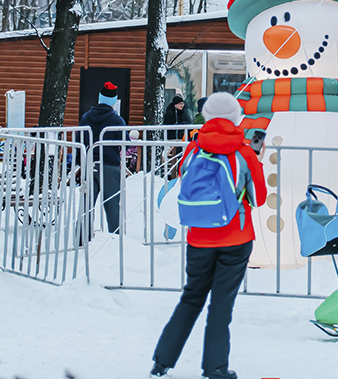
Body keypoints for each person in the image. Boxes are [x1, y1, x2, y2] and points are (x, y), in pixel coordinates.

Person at [151, 92, 265, 379]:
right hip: (236, 237)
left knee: (191, 297)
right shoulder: (244, 152)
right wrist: (257, 162)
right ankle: (215, 367)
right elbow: (259, 198)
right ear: (236, 117)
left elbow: (184, 180)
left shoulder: (193, 149)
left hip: (199, 237)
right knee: (221, 304)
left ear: (208, 116)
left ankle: (162, 362)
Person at [78, 82, 127, 234]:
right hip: (109, 167)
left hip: (89, 164)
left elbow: (80, 139)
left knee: (86, 205)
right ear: (114, 101)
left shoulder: (86, 117)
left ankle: (81, 237)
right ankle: (116, 239)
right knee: (112, 205)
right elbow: (124, 142)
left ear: (99, 98)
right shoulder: (117, 121)